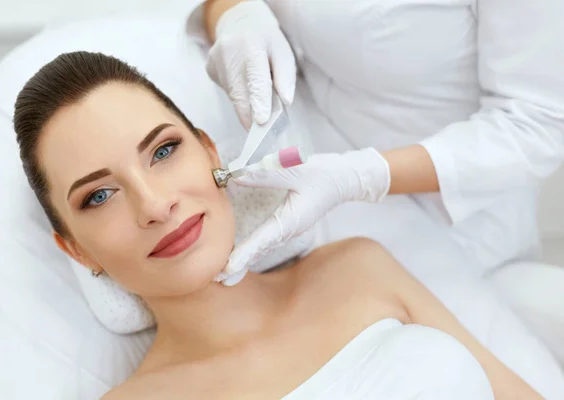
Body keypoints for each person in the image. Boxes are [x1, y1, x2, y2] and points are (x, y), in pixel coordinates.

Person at [13, 51, 542, 399]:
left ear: (210, 152)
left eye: (164, 150)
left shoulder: (356, 270)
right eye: (99, 195)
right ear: (77, 251)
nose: (153, 204)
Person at [192, 0, 564, 280]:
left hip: (456, 228)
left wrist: (363, 175)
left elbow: (539, 122)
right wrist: (237, 16)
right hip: (314, 188)